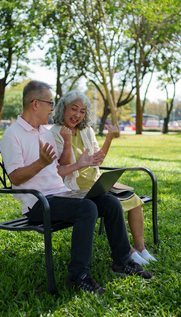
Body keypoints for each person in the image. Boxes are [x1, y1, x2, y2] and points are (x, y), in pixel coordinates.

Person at [0, 81, 153, 294]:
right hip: (38, 203)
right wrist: (40, 164)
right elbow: (15, 178)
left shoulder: (44, 133)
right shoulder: (12, 135)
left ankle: (122, 260)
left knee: (109, 201)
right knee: (87, 208)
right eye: (50, 103)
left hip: (61, 194)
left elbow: (59, 170)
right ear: (35, 103)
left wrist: (76, 161)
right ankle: (78, 275)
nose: (53, 108)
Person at [50, 90, 157, 266]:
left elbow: (98, 159)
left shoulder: (86, 131)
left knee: (135, 201)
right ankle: (128, 252)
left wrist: (109, 139)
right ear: (63, 108)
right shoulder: (55, 132)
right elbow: (64, 168)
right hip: (75, 187)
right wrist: (67, 140)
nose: (77, 115)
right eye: (73, 109)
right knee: (115, 205)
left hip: (96, 182)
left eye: (82, 111)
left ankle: (141, 248)